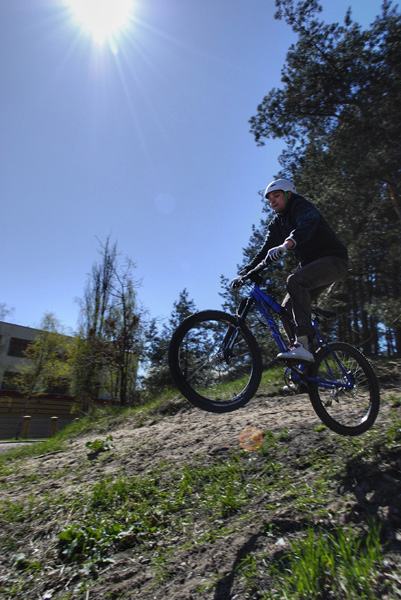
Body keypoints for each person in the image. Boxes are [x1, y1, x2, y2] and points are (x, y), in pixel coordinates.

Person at [231, 179, 348, 362]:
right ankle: (305, 365)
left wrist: (287, 244)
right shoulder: (278, 223)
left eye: (276, 196)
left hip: (333, 261)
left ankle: (302, 343)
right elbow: (265, 250)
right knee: (286, 308)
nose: (273, 202)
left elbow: (309, 222)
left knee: (295, 280)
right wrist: (246, 272)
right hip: (312, 268)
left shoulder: (300, 206)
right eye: (269, 199)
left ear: (289, 195)